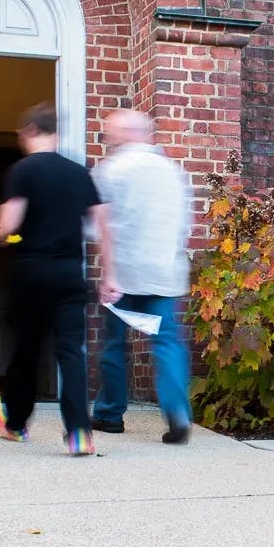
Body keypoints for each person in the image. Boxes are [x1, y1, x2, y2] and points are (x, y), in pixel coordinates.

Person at [0, 103, 113, 456]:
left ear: (28, 131)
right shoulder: (79, 173)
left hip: (31, 273)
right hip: (69, 274)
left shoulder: (22, 171)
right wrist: (109, 275)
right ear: (55, 133)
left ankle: (15, 424)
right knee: (71, 352)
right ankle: (78, 433)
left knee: (26, 350)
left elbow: (8, 226)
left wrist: (1, 231)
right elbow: (104, 227)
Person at [90, 110, 194, 444]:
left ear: (123, 134)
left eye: (109, 133)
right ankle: (177, 411)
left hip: (124, 272)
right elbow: (185, 224)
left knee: (115, 344)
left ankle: (109, 414)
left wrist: (108, 274)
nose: (107, 138)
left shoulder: (110, 170)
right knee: (167, 343)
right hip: (164, 271)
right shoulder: (171, 171)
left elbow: (98, 226)